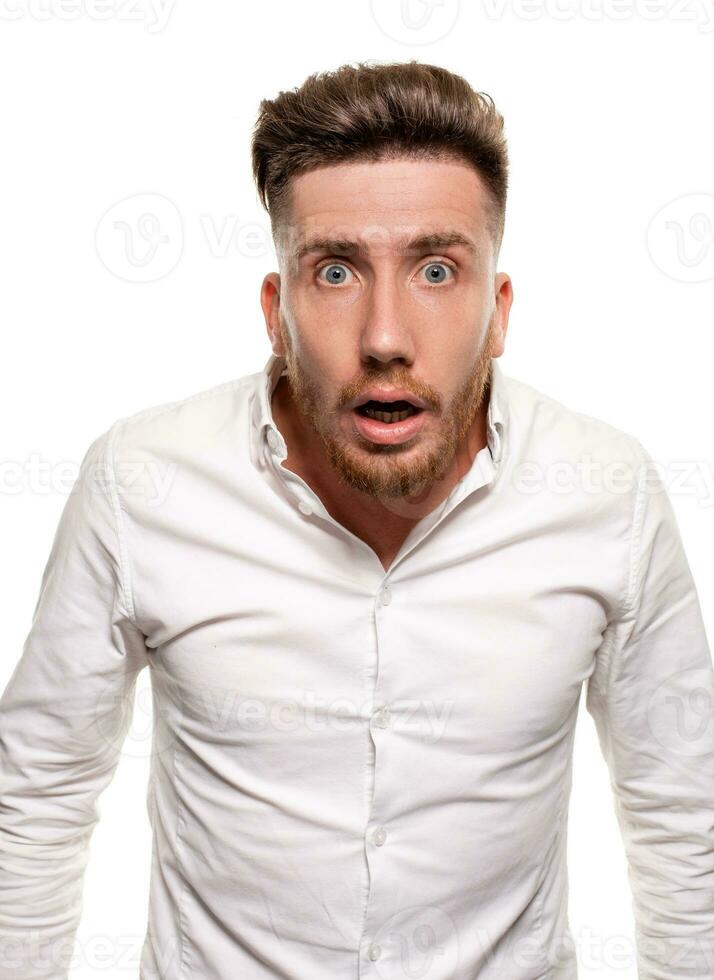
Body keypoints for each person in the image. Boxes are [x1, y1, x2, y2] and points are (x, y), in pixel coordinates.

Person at [1, 60, 713, 980]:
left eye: (436, 268)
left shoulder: (607, 491)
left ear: (498, 311)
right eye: (335, 271)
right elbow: (39, 788)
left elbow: (682, 802)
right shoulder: (141, 482)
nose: (384, 335)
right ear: (277, 311)